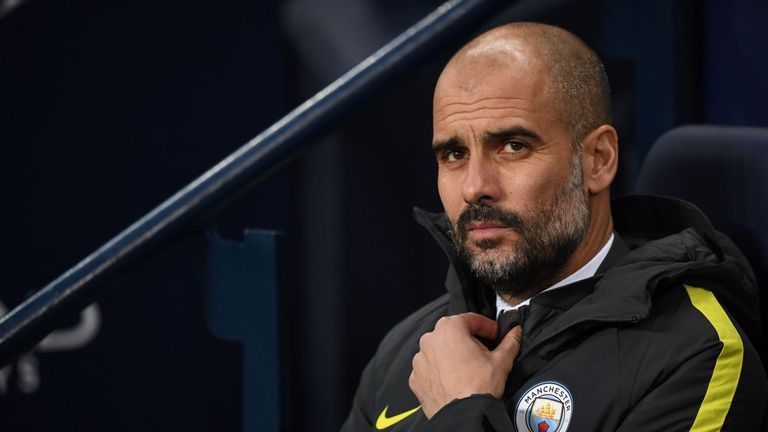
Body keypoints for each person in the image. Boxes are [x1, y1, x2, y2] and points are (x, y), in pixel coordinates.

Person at [341, 22, 768, 431]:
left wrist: (460, 411)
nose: (475, 188)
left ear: (598, 160)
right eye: (454, 154)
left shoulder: (696, 353)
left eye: (512, 146)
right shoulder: (412, 350)